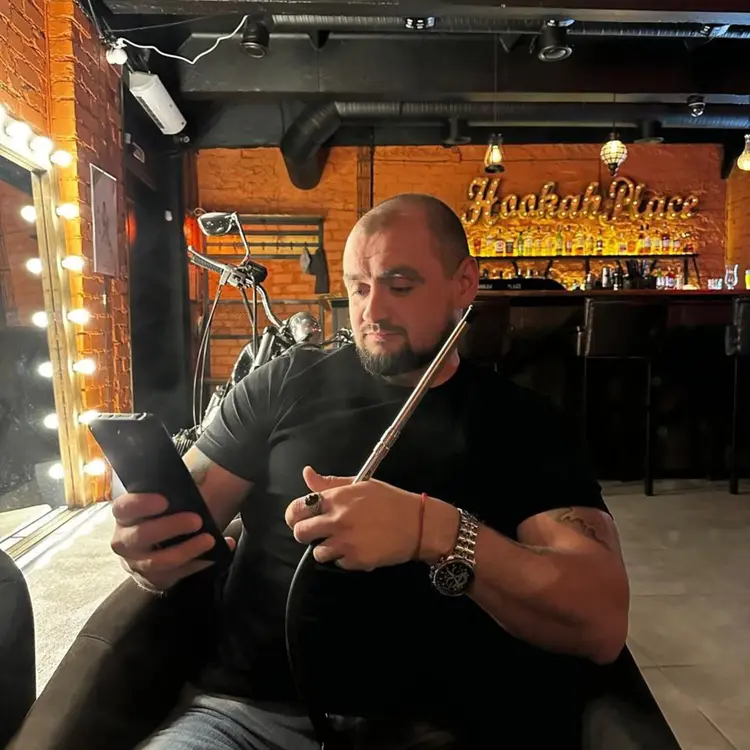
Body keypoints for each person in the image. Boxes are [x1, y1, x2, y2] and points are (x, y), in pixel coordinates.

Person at [111, 193, 630, 750]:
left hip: (440, 724)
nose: (372, 311)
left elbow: (601, 623)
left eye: (399, 286)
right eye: (359, 287)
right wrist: (147, 549)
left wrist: (433, 531)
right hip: (247, 715)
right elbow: (183, 514)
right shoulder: (282, 383)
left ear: (464, 283)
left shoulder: (525, 422)